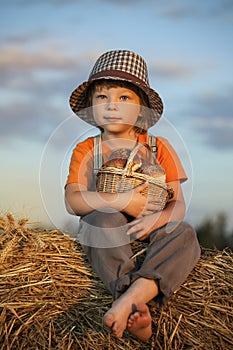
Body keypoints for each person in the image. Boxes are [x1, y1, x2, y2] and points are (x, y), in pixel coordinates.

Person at [65, 50, 200, 341]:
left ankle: (130, 299)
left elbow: (177, 204)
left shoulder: (158, 146)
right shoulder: (87, 150)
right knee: (99, 223)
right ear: (91, 107)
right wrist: (119, 201)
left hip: (150, 225)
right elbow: (73, 201)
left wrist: (157, 221)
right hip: (109, 227)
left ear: (140, 110)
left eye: (124, 98)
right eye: (102, 97)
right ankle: (133, 303)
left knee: (184, 234)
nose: (112, 105)